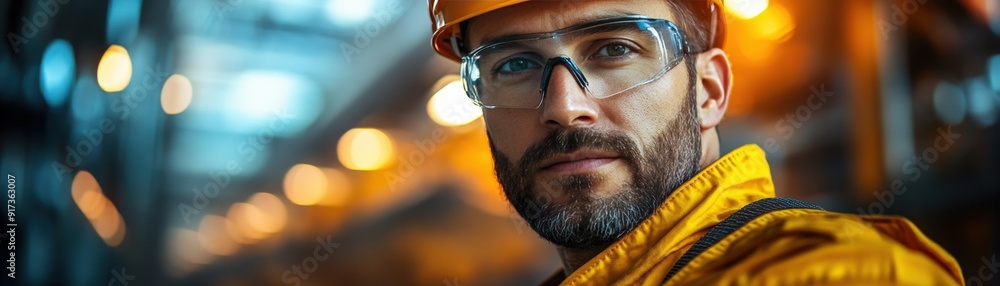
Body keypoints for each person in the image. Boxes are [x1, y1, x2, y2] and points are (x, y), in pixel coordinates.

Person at [426, 0, 964, 284]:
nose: (564, 106)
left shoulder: (841, 276)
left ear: (708, 91)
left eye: (614, 49)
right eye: (515, 64)